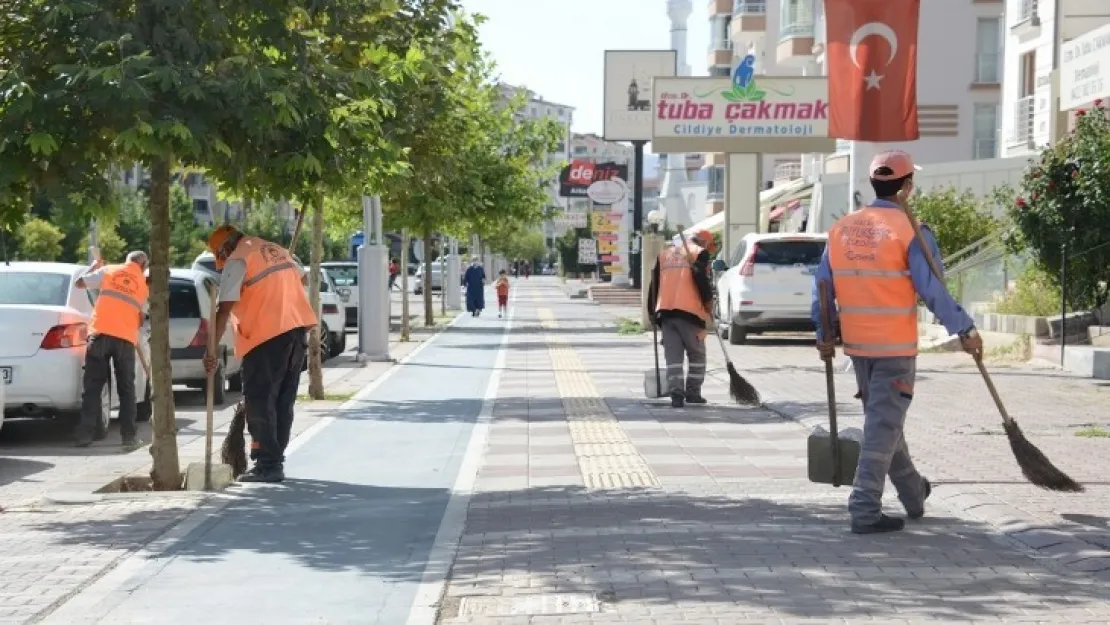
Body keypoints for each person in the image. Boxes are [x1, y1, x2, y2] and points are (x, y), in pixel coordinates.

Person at [813, 150, 983, 535]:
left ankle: (913, 495)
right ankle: (864, 507)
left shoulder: (841, 230)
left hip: (858, 349)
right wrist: (966, 331)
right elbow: (933, 290)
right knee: (881, 429)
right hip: (894, 349)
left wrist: (824, 335)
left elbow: (823, 288)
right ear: (906, 187)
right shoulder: (912, 232)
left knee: (885, 426)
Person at [205, 225, 318, 483]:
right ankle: (273, 460)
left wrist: (209, 350)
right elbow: (302, 278)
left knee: (260, 398)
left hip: (266, 337)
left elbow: (224, 311)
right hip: (296, 331)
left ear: (224, 249)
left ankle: (268, 464)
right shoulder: (276, 250)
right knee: (282, 400)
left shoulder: (238, 259)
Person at [74, 250, 150, 450]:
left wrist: (94, 267)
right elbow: (142, 318)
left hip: (99, 335)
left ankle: (85, 435)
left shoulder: (108, 270)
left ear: (126, 260)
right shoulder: (143, 285)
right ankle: (129, 437)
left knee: (93, 387)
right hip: (124, 340)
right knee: (126, 389)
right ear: (143, 266)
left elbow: (79, 283)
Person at [646, 229, 717, 408]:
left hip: (666, 312)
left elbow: (654, 283)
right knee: (697, 354)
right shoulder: (699, 253)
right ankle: (692, 393)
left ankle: (676, 395)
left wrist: (651, 312)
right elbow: (701, 278)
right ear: (705, 243)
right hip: (690, 311)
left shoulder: (665, 254)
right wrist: (708, 301)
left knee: (674, 357)